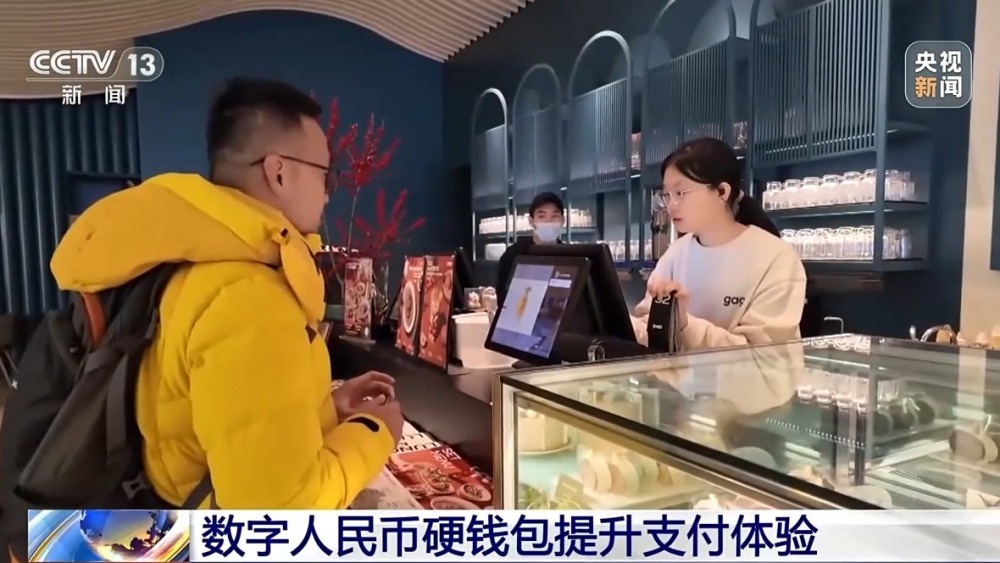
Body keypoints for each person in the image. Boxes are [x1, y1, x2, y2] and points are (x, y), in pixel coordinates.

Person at [46, 78, 404, 508]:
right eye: (326, 175)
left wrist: (324, 410)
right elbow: (278, 514)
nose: (328, 195)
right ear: (278, 172)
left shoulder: (195, 263)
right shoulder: (249, 298)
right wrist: (374, 432)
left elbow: (217, 417)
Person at [632, 137, 806, 351]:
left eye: (681, 193)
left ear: (722, 191)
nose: (671, 205)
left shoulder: (776, 258)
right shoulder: (676, 253)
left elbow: (761, 355)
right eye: (666, 195)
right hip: (678, 375)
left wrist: (684, 324)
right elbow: (648, 326)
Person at [496, 191, 565, 303]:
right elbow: (503, 298)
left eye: (555, 216)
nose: (548, 221)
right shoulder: (513, 254)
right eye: (541, 216)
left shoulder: (571, 255)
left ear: (563, 221)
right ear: (531, 221)